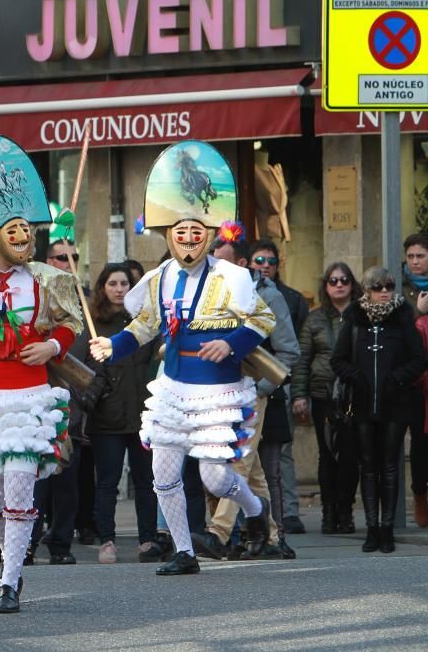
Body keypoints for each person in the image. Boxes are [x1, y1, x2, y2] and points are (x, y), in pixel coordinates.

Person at [90, 140, 275, 576]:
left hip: (217, 390)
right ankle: (184, 552)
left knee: (213, 478)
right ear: (168, 235)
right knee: (164, 474)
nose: (188, 241)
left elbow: (263, 320)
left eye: (196, 233)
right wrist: (111, 346)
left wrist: (231, 344)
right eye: (180, 233)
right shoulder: (158, 278)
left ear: (209, 235)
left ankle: (254, 507)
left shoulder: (233, 277)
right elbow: (144, 327)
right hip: (173, 388)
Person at [0, 135, 82, 613]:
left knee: (17, 484)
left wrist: (53, 345)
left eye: (26, 229)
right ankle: (7, 545)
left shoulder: (49, 279)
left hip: (31, 397)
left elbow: (71, 322)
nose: (22, 236)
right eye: (11, 229)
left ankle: (10, 580)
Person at [198, 227, 299, 560]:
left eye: (222, 263)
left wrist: (262, 389)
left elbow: (288, 350)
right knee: (251, 469)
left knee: (236, 460)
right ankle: (270, 537)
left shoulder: (268, 295)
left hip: (251, 390)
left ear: (242, 263)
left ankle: (219, 532)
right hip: (217, 389)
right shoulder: (208, 291)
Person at [331, 266, 426, 554]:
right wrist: (357, 378)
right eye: (378, 287)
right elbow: (338, 360)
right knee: (368, 467)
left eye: (388, 287)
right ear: (367, 290)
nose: (384, 292)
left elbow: (419, 359)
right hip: (362, 404)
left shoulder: (403, 317)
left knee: (390, 466)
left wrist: (397, 379)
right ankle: (371, 528)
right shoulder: (355, 318)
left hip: (395, 405)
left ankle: (387, 529)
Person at [82, 263, 157, 565]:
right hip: (107, 416)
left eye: (124, 283)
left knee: (146, 481)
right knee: (107, 482)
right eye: (112, 283)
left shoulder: (142, 323)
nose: (118, 289)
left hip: (142, 413)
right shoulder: (95, 323)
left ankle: (148, 540)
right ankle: (107, 540)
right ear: (103, 288)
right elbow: (90, 369)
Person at [291, 262, 361, 534]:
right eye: (333, 281)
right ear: (326, 286)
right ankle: (328, 514)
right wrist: (299, 394)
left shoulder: (360, 316)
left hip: (354, 394)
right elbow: (302, 358)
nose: (339, 284)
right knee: (327, 455)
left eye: (344, 280)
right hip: (322, 394)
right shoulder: (315, 318)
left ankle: (346, 512)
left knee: (351, 456)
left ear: (352, 285)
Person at [249, 238, 308, 534]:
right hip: (231, 393)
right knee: (236, 469)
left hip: (268, 391)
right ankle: (239, 531)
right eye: (259, 261)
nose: (265, 267)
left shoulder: (283, 297)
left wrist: (263, 386)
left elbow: (292, 351)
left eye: (270, 262)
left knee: (273, 464)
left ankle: (276, 531)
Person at [402, 232, 428, 526]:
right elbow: (394, 329)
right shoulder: (398, 288)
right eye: (410, 256)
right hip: (413, 382)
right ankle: (420, 495)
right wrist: (416, 312)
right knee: (420, 444)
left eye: (420, 256)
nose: (415, 261)